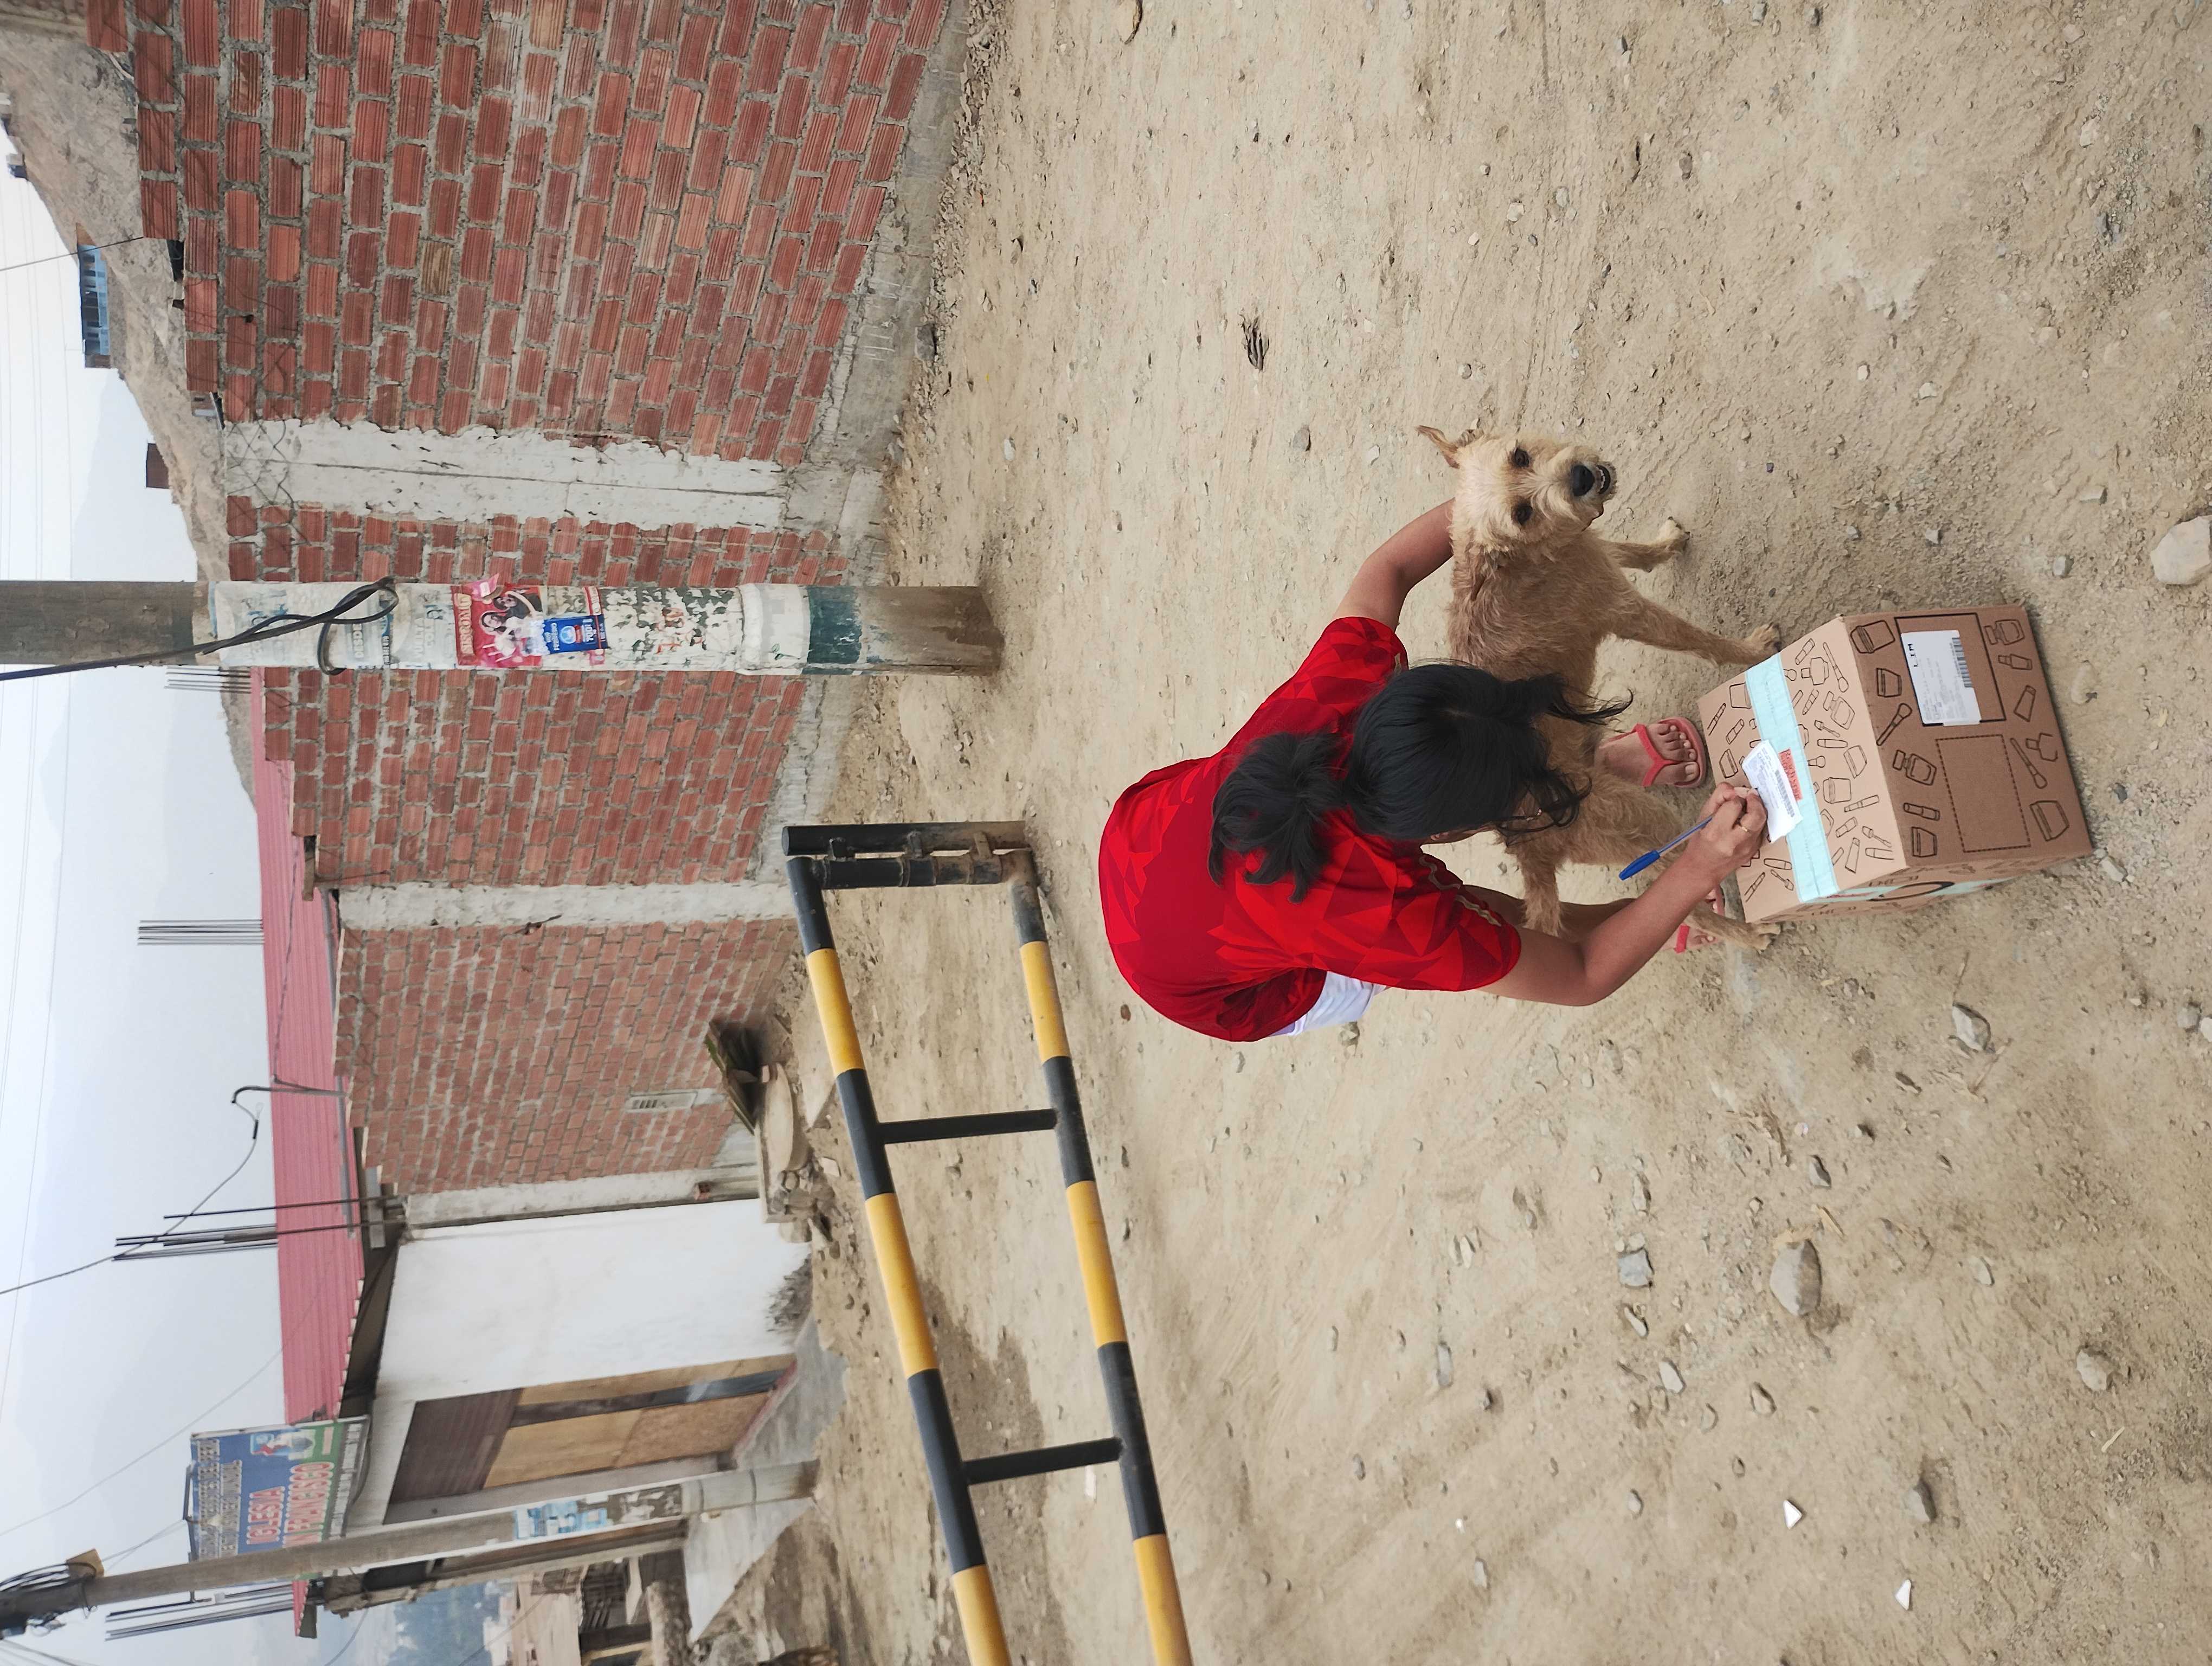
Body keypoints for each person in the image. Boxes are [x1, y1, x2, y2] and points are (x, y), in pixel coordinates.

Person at [1097, 500, 1769, 1042]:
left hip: (1140, 834)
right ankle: (1652, 915)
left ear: (1399, 695)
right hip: (1221, 991)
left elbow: (1389, 568)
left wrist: (1509, 506)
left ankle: (1606, 783)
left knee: (1479, 912)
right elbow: (1581, 974)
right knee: (1484, 922)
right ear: (1445, 837)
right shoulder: (1381, 913)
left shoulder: (1342, 692)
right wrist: (1694, 870)